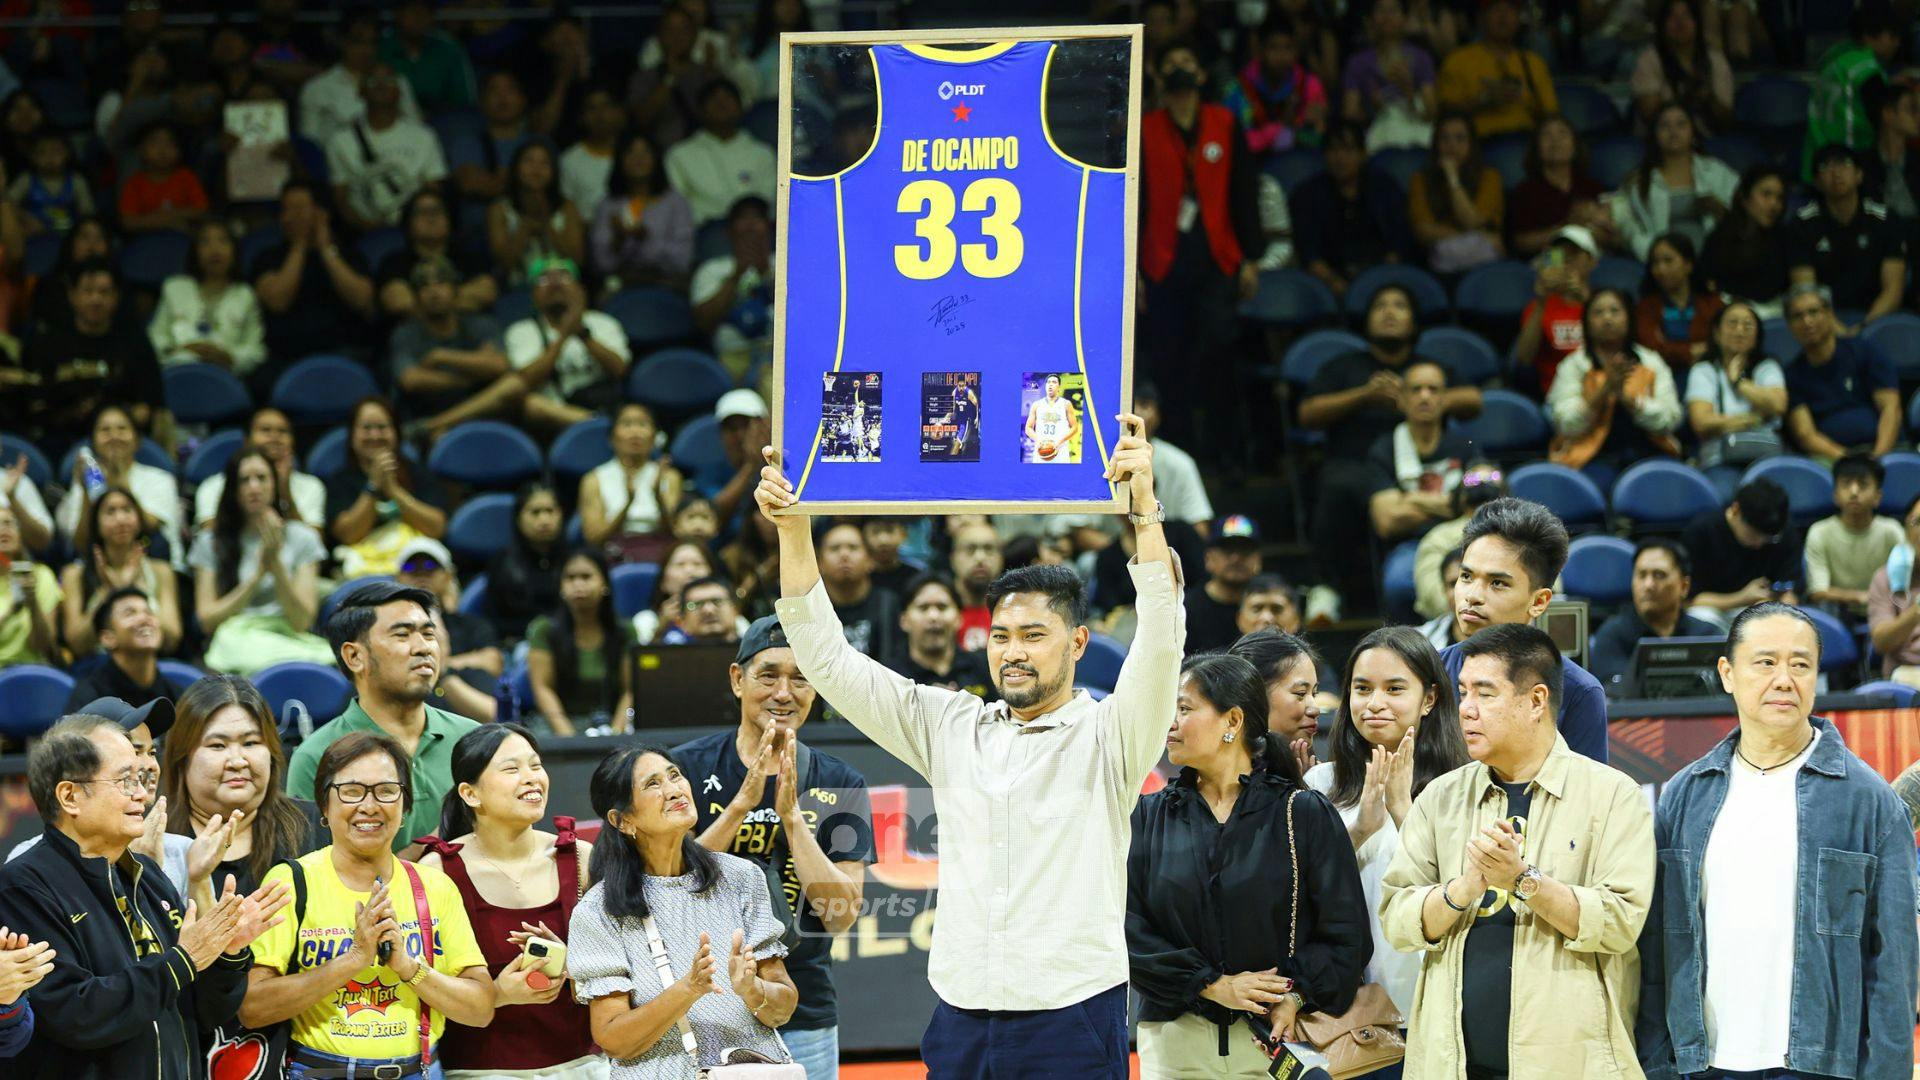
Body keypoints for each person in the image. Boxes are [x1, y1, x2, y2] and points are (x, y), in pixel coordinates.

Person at [760, 413, 1178, 1072]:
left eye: (1034, 636)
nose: (1013, 653)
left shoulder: (1111, 733)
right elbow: (830, 661)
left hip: (1073, 1012)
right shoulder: (953, 725)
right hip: (959, 1012)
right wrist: (793, 529)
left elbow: (1160, 639)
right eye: (1003, 636)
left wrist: (1145, 514)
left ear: (1076, 644)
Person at [1636, 602, 1918, 1079]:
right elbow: (1658, 948)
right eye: (1766, 662)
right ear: (1727, 673)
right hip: (1702, 1063)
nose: (1784, 679)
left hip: (1821, 1065)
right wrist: (1656, 1061)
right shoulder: (1684, 795)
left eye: (1801, 664)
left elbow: (1894, 965)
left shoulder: (1868, 800)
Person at [1381, 624, 1654, 1076]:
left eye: (1485, 694)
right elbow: (1396, 917)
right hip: (1448, 1064)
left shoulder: (1612, 796)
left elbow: (1621, 922)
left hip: (1568, 1065)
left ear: (1535, 701)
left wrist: (1524, 881)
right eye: (1463, 692)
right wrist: (1462, 890)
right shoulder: (1440, 797)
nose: (1465, 710)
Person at [0, 712, 289, 1080]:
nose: (142, 793)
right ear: (70, 796)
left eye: (140, 778)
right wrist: (184, 959)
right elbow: (76, 1015)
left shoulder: (147, 876)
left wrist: (226, 955)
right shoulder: (24, 886)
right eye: (124, 780)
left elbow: (202, 1012)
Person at [1128, 653, 1370, 1072]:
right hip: (1174, 1045)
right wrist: (1211, 984)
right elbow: (1127, 929)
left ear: (1233, 721)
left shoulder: (1303, 812)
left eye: (1184, 709)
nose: (1170, 722)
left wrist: (1295, 996)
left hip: (1277, 1041)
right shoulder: (1147, 816)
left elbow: (1347, 935)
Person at [671, 616, 873, 1080]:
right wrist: (742, 804)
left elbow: (840, 915)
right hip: (697, 1000)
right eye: (769, 675)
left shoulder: (841, 781)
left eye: (801, 679)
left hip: (803, 1004)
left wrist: (791, 819)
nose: (785, 692)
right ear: (737, 679)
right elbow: (668, 889)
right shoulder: (682, 768)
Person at [241, 730, 495, 1079]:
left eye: (387, 791)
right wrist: (353, 960)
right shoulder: (291, 881)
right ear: (325, 807)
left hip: (417, 1071)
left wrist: (408, 967)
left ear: (405, 808)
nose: (370, 806)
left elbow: (480, 1009)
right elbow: (253, 1008)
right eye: (351, 791)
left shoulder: (435, 886)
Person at [568, 743, 800, 1076]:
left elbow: (783, 1008)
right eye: (653, 784)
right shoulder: (599, 911)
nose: (674, 789)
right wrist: (688, 988)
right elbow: (613, 1039)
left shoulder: (740, 877)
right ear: (622, 820)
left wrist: (752, 989)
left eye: (674, 775)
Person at [157, 674, 321, 1077]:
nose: (238, 760)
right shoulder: (151, 841)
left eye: (251, 743)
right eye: (217, 745)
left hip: (302, 1051)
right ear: (182, 757)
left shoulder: (313, 827)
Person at [416, 725, 602, 1078]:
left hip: (584, 1064)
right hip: (478, 1069)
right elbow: (425, 986)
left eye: (535, 765)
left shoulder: (580, 858)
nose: (532, 778)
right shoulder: (437, 870)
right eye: (512, 769)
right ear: (470, 793)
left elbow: (616, 971)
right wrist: (497, 995)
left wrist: (571, 964)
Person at [1304, 626, 1471, 1020]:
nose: (1374, 703)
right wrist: (1359, 829)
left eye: (1394, 689)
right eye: (1362, 689)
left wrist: (1402, 809)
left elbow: (1465, 890)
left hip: (1437, 1005)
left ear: (1429, 698)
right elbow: (1299, 897)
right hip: (1349, 1012)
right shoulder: (1320, 784)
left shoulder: (1464, 785)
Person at [1301, 283, 1480, 621]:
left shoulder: (1426, 369)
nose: (1389, 312)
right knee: (1334, 484)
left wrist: (1416, 398)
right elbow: (1308, 413)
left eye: (1400, 305)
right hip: (1357, 467)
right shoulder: (1346, 366)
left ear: (1414, 322)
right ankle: (1326, 587)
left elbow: (1473, 400)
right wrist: (1364, 396)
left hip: (1423, 467)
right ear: (1366, 321)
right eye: (1380, 305)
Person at [289, 581, 481, 855]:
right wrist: (432, 851)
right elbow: (314, 874)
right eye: (402, 635)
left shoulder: (471, 739)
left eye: (429, 634)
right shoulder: (316, 756)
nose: (423, 648)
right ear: (354, 656)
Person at [1138, 41, 1262, 459]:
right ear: (1157, 75)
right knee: (1170, 363)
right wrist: (1134, 270)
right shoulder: (1145, 127)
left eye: (1187, 61)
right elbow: (1133, 204)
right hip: (1162, 263)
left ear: (1202, 75)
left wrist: (1251, 258)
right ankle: (1179, 454)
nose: (1179, 69)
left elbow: (1244, 192)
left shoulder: (1224, 123)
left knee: (1218, 359)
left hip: (1217, 259)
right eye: (1170, 62)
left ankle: (1228, 457)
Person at [1444, 497, 1611, 763]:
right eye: (1466, 577)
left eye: (1497, 583)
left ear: (1539, 601)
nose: (1472, 595)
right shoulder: (1427, 673)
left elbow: (1585, 800)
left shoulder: (1579, 692)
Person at [417, 257, 632, 439]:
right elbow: (527, 379)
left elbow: (620, 369)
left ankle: (603, 423)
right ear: (533, 295)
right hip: (552, 417)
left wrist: (583, 334)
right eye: (544, 279)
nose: (555, 284)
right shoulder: (522, 331)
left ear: (579, 288)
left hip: (604, 402)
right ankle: (601, 425)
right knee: (529, 403)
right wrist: (563, 336)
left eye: (564, 277)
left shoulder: (602, 323)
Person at [191, 448, 334, 675]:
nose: (254, 487)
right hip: (234, 638)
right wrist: (257, 575)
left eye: (261, 478)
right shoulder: (210, 542)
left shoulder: (303, 537)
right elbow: (208, 621)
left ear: (275, 484)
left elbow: (302, 622)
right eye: (244, 480)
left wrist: (275, 566)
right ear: (232, 489)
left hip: (287, 635)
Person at [1546, 286, 1684, 489]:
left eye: (1615, 311)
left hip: (1650, 452)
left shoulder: (1651, 362)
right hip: (1590, 458)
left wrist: (1631, 402)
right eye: (1598, 312)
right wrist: (1602, 392)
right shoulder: (1574, 365)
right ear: (1586, 322)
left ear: (1629, 317)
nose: (1607, 319)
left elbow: (1670, 419)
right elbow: (1565, 425)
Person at [19, 261, 162, 453]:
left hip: (120, 443)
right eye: (88, 291)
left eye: (104, 292)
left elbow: (148, 406)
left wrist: (113, 426)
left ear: (116, 297)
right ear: (72, 295)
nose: (96, 299)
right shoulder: (46, 343)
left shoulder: (135, 342)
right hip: (60, 443)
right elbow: (35, 405)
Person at [252, 180, 376, 370]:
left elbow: (361, 299)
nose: (288, 218)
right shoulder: (268, 258)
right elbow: (278, 301)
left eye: (298, 210)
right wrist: (299, 246)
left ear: (321, 214)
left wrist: (326, 249)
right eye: (285, 210)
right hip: (285, 358)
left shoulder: (349, 255)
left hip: (345, 353)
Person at [326, 397, 450, 576]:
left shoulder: (418, 473)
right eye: (367, 428)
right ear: (352, 435)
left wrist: (394, 491)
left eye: (382, 428)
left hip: (416, 572)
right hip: (362, 576)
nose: (375, 435)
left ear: (396, 433)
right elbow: (348, 535)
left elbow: (436, 528)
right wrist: (373, 486)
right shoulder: (338, 481)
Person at [1787, 143, 1907, 327]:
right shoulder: (1802, 224)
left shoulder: (1885, 220)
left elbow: (1893, 290)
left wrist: (1866, 328)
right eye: (1825, 167)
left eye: (1845, 164)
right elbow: (1806, 292)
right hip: (1823, 321)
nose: (1836, 172)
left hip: (1876, 319)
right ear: (1817, 182)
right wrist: (1838, 331)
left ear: (1859, 175)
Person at [1292, 121, 1412, 299]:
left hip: (1382, 278)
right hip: (1329, 284)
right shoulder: (1307, 195)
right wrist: (1333, 282)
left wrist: (1379, 281)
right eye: (1333, 150)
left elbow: (1399, 242)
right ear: (1324, 155)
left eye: (1348, 150)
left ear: (1363, 154)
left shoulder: (1385, 187)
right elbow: (1309, 254)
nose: (1340, 158)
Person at [1781, 282, 1901, 460]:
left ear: (1829, 314)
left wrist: (1878, 457)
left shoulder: (1864, 350)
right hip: (1833, 460)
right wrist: (1850, 462)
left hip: (1885, 450)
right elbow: (1805, 434)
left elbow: (1891, 408)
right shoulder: (1792, 375)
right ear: (1790, 326)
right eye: (1797, 316)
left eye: (1813, 312)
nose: (1807, 321)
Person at [325, 61, 447, 234]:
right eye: (373, 81)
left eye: (389, 80)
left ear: (399, 91)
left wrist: (415, 227)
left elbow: (434, 188)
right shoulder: (340, 141)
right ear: (360, 91)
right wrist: (370, 230)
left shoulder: (424, 136)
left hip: (415, 229)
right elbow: (340, 199)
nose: (381, 85)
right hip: (363, 232)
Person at [57, 486, 180, 656]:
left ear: (138, 520)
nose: (120, 519)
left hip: (150, 662)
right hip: (96, 667)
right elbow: (77, 643)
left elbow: (172, 637)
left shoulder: (161, 570)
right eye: (110, 512)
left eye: (127, 510)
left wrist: (134, 589)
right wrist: (107, 591)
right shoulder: (74, 574)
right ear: (96, 524)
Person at [54, 405, 181, 569]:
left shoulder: (160, 479)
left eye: (122, 429)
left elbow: (149, 528)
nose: (114, 436)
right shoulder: (86, 482)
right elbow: (81, 544)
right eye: (105, 430)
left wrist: (119, 476)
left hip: (154, 565)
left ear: (137, 440)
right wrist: (85, 491)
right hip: (100, 568)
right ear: (93, 442)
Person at [526, 548, 635, 737]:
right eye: (570, 578)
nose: (578, 584)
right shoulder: (544, 630)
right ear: (561, 586)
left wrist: (617, 734)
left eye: (586, 577)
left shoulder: (625, 631)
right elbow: (542, 689)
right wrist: (570, 739)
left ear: (605, 584)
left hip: (612, 723)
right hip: (557, 726)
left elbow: (631, 690)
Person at [1610, 102, 1738, 260]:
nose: (1673, 131)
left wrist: (1719, 208)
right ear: (1655, 135)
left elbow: (1744, 214)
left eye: (1681, 124)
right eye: (1664, 126)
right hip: (1661, 264)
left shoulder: (1716, 171)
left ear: (1693, 132)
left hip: (1714, 259)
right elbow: (1622, 219)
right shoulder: (1639, 180)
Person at [1366, 358, 1475, 542]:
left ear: (1445, 399)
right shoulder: (1383, 450)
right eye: (1416, 389)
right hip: (1408, 546)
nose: (1425, 396)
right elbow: (1388, 521)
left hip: (1461, 542)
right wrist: (1454, 507)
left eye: (1433, 389)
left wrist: (1409, 499)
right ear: (1401, 399)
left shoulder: (1465, 447)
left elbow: (1481, 506)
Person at [1588, 539, 1721, 688]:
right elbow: (1615, 697)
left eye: (1659, 575)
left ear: (1684, 586)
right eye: (1641, 575)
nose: (1648, 585)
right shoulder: (1612, 636)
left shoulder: (1708, 636)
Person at [388, 256, 509, 420]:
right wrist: (466, 380)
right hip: (427, 414)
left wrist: (442, 356)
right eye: (424, 286)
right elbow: (411, 380)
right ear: (416, 297)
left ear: (455, 290)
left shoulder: (481, 324)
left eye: (441, 283)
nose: (433, 292)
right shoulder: (404, 334)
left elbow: (498, 365)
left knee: (513, 387)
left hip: (482, 414)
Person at [1684, 299, 1787, 483]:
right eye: (1732, 323)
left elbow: (1778, 405)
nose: (1740, 330)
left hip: (1766, 455)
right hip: (1719, 460)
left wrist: (1739, 382)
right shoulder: (1704, 370)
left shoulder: (1767, 367)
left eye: (1748, 325)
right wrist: (1753, 418)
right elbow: (1701, 422)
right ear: (1716, 333)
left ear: (1757, 336)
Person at [148, 219, 266, 379]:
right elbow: (155, 338)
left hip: (226, 376)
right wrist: (181, 349)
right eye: (205, 242)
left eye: (222, 241)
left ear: (234, 250)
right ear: (195, 251)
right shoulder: (174, 287)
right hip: (178, 371)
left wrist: (228, 356)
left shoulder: (245, 294)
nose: (214, 249)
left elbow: (256, 350)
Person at [1681, 478, 1803, 629]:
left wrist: (1776, 606)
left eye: (1768, 539)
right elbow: (1690, 601)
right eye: (1753, 535)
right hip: (1714, 610)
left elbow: (1790, 590)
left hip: (1757, 612)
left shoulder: (1783, 533)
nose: (1759, 544)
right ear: (1736, 510)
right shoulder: (1701, 532)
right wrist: (1742, 597)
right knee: (1698, 616)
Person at [1802, 0, 1903, 178]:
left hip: (1817, 161)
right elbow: (1883, 119)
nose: (1897, 43)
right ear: (1869, 37)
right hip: (1850, 164)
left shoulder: (1832, 58)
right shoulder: (1866, 70)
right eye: (1892, 36)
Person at [300, 6, 423, 151]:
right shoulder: (317, 88)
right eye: (358, 41)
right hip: (339, 165)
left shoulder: (396, 83)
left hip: (397, 161)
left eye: (372, 42)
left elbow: (416, 130)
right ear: (342, 41)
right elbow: (310, 146)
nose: (366, 50)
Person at [580, 401, 685, 565]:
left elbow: (677, 532)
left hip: (661, 553)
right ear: (612, 438)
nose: (635, 432)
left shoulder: (669, 477)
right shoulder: (594, 479)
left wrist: (658, 497)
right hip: (614, 553)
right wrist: (628, 503)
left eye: (642, 424)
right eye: (627, 424)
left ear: (654, 436)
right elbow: (593, 539)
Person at [1435, 0, 1557, 138]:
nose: (1503, 16)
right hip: (1477, 147)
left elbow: (1551, 114)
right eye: (1496, 9)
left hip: (1525, 145)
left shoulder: (1534, 63)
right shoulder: (1458, 60)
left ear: (1518, 19)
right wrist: (1485, 100)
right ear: (1481, 18)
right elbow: (1446, 113)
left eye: (1510, 10)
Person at [590, 129, 694, 291]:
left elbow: (682, 261)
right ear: (620, 160)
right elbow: (601, 264)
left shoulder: (676, 202)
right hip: (621, 285)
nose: (638, 159)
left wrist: (647, 239)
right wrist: (619, 240)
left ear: (656, 158)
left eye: (645, 152)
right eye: (631, 152)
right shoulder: (608, 205)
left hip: (668, 284)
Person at [193, 406, 327, 529]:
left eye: (283, 431)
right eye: (265, 430)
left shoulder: (311, 486)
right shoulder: (213, 486)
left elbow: (314, 545)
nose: (275, 437)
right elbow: (210, 538)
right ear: (246, 441)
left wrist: (285, 491)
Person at [665, 79, 774, 230]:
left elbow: (769, 201)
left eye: (727, 98)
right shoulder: (679, 155)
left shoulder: (763, 153)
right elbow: (678, 208)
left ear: (741, 107)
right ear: (700, 110)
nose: (721, 104)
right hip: (702, 235)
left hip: (754, 235)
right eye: (713, 99)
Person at [375, 189, 499, 320]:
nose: (431, 218)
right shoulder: (394, 262)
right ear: (408, 222)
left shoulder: (469, 257)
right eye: (422, 212)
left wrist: (427, 305)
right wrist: (460, 300)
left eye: (437, 211)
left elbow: (487, 291)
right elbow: (397, 302)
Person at [1805, 452, 1904, 617]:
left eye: (1863, 485)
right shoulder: (1819, 532)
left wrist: (1874, 600)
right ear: (1835, 495)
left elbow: (1904, 583)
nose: (1854, 492)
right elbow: (1818, 591)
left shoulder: (1892, 531)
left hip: (1886, 610)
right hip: (1838, 612)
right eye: (1845, 484)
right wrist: (1858, 597)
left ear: (1877, 497)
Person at [1506, 114, 1618, 257]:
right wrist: (1568, 228)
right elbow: (1521, 243)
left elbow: (1612, 239)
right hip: (1548, 262)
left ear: (1575, 145)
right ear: (1536, 147)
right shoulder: (1524, 192)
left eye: (1562, 133)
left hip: (1592, 260)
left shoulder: (1593, 188)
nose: (1555, 141)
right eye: (1547, 135)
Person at [690, 195, 776, 381]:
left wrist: (767, 273)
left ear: (768, 227)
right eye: (743, 218)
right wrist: (736, 275)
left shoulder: (786, 266)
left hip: (778, 355)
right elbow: (703, 324)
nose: (751, 225)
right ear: (730, 230)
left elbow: (807, 317)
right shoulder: (711, 269)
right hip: (730, 358)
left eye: (757, 218)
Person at [1408, 111, 1504, 273]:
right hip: (1440, 264)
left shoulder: (1490, 176)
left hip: (1483, 261)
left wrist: (1453, 180)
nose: (1452, 145)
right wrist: (1477, 236)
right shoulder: (1420, 179)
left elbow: (1473, 221)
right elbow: (1423, 230)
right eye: (1445, 139)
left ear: (1471, 144)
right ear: (1436, 144)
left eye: (1460, 138)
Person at [1221, 16, 1328, 155]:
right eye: (1273, 48)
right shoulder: (1237, 90)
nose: (1282, 56)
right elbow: (1231, 141)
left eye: (1288, 48)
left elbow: (1319, 138)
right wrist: (1274, 133)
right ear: (1259, 50)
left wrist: (1295, 132)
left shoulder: (1310, 85)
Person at [1227, 628, 1325, 778]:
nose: (1315, 709)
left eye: (1314, 693)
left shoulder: (1318, 779)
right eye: (1300, 693)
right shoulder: (1202, 785)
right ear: (1252, 695)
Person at [1512, 224, 1598, 394]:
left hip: (1600, 387)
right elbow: (1524, 359)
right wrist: (1542, 300)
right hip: (1558, 394)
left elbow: (1619, 349)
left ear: (1591, 261)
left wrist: (1586, 301)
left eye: (1573, 254)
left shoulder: (1605, 303)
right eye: (1558, 254)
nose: (1566, 260)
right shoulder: (1538, 306)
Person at [63, 586, 183, 709]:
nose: (144, 619)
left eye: (149, 612)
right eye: (130, 613)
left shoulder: (176, 695)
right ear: (108, 638)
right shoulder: (89, 697)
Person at [1342, 0, 1438, 151]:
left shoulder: (1421, 58)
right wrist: (1371, 110)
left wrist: (1409, 92)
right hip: (1377, 134)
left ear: (1405, 18)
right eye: (1381, 10)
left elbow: (1431, 113)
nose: (1387, 17)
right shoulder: (1357, 63)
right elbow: (1349, 115)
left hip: (1416, 131)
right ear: (1371, 19)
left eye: (1393, 10)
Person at [1696, 165, 1792, 314]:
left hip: (1772, 314)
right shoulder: (1719, 236)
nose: (1774, 204)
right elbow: (1705, 283)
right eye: (1766, 195)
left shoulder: (1785, 238)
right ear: (1744, 197)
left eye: (1779, 198)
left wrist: (1728, 288)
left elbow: (1767, 289)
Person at [487, 142, 586, 287]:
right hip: (516, 288)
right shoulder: (499, 209)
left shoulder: (567, 207)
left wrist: (547, 226)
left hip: (563, 286)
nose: (536, 169)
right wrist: (525, 228)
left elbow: (578, 260)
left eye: (544, 163)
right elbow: (503, 266)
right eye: (529, 161)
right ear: (516, 167)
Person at [1629, 0, 1733, 134]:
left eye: (1687, 16)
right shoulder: (1649, 59)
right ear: (1662, 25)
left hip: (1707, 142)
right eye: (1673, 17)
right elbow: (1649, 114)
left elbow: (1725, 119)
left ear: (1697, 23)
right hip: (1658, 144)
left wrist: (1707, 97)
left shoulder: (1715, 60)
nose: (1680, 22)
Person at [887, 572, 995, 698]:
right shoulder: (890, 677)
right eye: (923, 607)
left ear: (959, 618)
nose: (933, 616)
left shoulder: (984, 668)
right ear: (904, 620)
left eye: (942, 607)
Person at [485, 481, 565, 641]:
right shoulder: (502, 562)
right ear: (518, 518)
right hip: (520, 643)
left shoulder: (575, 559)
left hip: (568, 640)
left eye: (550, 511)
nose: (544, 519)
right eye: (535, 512)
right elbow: (494, 620)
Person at [1633, 233, 1722, 372]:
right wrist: (1692, 350)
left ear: (1688, 265)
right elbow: (1651, 349)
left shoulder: (1712, 304)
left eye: (1668, 261)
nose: (1661, 269)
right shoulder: (1646, 308)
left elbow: (1721, 344)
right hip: (1660, 375)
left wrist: (1669, 347)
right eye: (1655, 263)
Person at [1134, 382, 1214, 535]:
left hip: (1167, 549)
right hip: (1118, 549)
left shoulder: (1180, 463)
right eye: (1134, 405)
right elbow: (1079, 530)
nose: (1138, 412)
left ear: (1158, 414)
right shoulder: (1099, 460)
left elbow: (1200, 530)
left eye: (1145, 405)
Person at [816, 521, 902, 660]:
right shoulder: (811, 607)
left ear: (870, 560)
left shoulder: (888, 603)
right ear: (819, 562)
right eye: (834, 548)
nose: (844, 555)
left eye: (853, 548)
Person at [449, 69, 534, 206]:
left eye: (510, 89)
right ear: (482, 101)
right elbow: (468, 183)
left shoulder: (537, 144)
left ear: (523, 100)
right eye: (494, 90)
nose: (502, 97)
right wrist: (525, 181)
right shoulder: (466, 143)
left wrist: (497, 179)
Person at [1185, 515, 1264, 654]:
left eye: (1245, 550)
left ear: (1258, 560)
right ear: (1208, 558)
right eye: (1227, 550)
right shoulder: (1184, 609)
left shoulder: (1269, 606)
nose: (1236, 558)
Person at [379, 0, 476, 113]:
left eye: (425, 11)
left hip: (441, 121)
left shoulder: (449, 49)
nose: (419, 16)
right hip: (389, 118)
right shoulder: (379, 47)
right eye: (412, 10)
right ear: (398, 13)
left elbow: (464, 100)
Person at [116, 123, 207, 234]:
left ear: (179, 151)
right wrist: (168, 220)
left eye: (170, 143)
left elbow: (201, 211)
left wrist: (167, 215)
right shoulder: (135, 183)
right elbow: (128, 222)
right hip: (146, 241)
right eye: (154, 143)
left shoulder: (186, 177)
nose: (162, 150)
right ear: (141, 150)